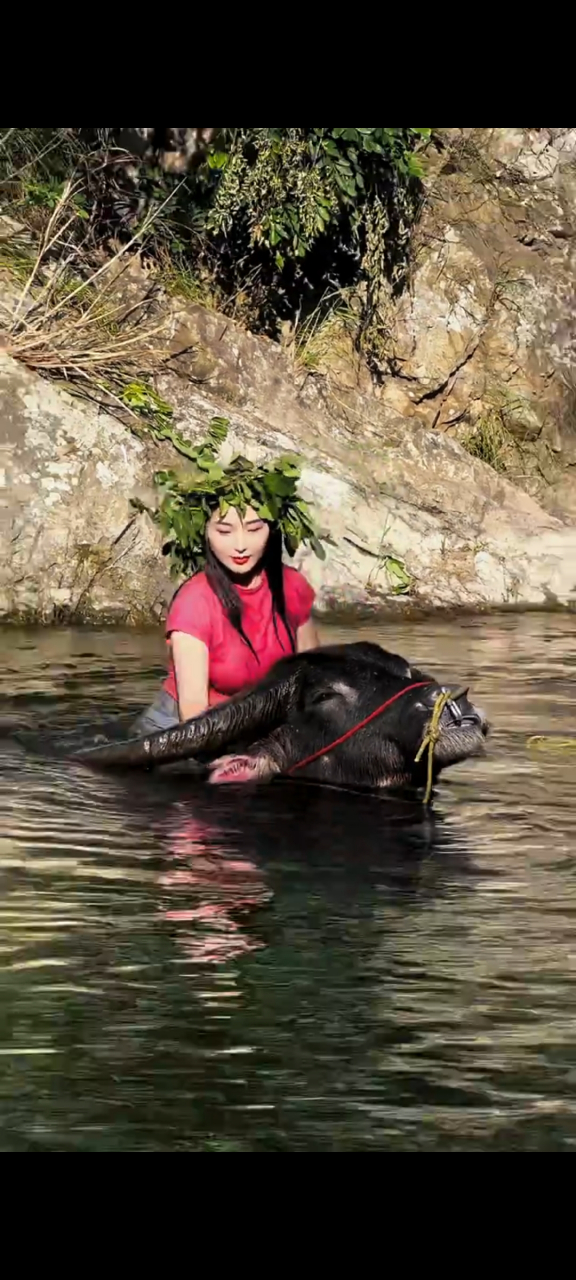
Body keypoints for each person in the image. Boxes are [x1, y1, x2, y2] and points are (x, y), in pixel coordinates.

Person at [134, 504, 319, 735]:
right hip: (180, 728)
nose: (240, 546)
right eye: (224, 532)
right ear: (206, 532)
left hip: (259, 717)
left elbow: (313, 679)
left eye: (254, 530)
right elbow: (193, 714)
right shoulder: (194, 602)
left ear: (272, 529)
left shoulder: (291, 586)